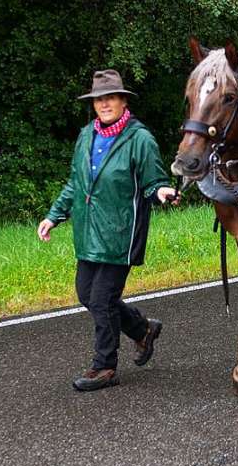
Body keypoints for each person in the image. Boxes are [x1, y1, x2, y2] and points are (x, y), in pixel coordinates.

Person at [38, 70, 178, 391]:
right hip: (88, 232)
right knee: (86, 293)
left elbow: (153, 181)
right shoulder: (87, 135)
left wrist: (162, 192)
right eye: (99, 99)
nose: (104, 104)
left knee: (102, 298)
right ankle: (142, 330)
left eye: (110, 97)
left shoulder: (140, 139)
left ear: (123, 100)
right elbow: (75, 183)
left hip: (120, 233)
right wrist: (54, 215)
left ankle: (105, 366)